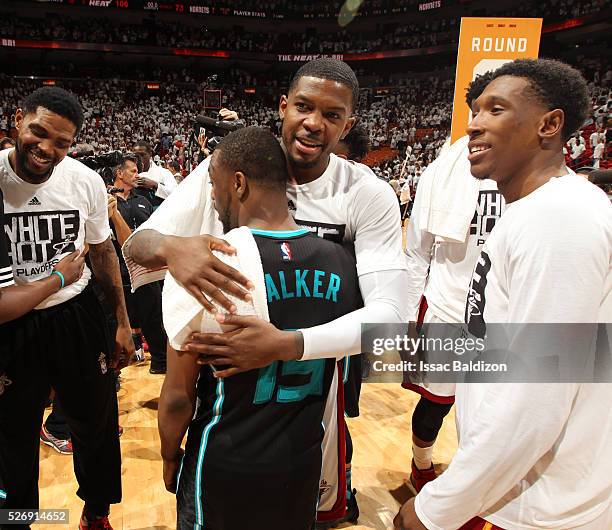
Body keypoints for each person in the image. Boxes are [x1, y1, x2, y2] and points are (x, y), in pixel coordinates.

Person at [123, 58, 408, 527]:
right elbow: (140, 245)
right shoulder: (236, 160)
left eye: (332, 115)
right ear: (283, 106)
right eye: (303, 106)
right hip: (264, 402)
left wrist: (286, 344)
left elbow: (389, 318)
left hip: (311, 397)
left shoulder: (365, 193)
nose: (313, 123)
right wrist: (174, 247)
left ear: (348, 124)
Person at [394, 58, 612, 530]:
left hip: (542, 505)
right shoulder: (532, 209)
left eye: (495, 110)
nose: (474, 124)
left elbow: (539, 391)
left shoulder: (560, 219)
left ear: (549, 125)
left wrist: (440, 506)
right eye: (474, 110)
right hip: (517, 486)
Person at [159, 126, 363, 530]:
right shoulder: (342, 261)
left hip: (226, 463)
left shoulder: (205, 268)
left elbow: (179, 396)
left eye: (215, 186)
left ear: (238, 183)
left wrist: (169, 457)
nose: (214, 200)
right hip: (300, 464)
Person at [0, 87, 134, 530]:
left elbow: (103, 253)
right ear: (19, 120)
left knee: (95, 422)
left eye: (61, 142)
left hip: (75, 315)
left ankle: (96, 512)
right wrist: (57, 275)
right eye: (39, 133)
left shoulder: (84, 180)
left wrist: (121, 322)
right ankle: (17, 518)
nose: (47, 149)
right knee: (11, 435)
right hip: (12, 323)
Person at [402, 134, 504, 494]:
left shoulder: (533, 175)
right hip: (448, 306)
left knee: (493, 410)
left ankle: (473, 478)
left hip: (504, 314)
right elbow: (416, 253)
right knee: (436, 405)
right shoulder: (441, 172)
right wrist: (409, 318)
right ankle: (421, 463)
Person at [109, 154, 167, 373]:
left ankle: (161, 362)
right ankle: (115, 370)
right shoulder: (106, 200)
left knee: (154, 318)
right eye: (132, 171)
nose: (137, 175)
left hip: (145, 271)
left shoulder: (144, 198)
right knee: (119, 321)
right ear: (119, 173)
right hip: (118, 271)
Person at [133, 140, 177, 209]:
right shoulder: (127, 173)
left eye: (142, 155)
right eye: (136, 155)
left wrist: (155, 185)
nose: (139, 158)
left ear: (150, 154)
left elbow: (175, 194)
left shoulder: (164, 173)